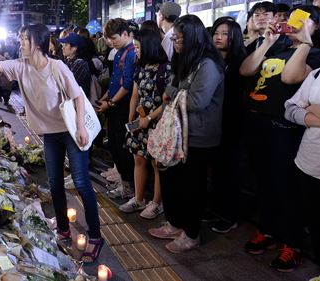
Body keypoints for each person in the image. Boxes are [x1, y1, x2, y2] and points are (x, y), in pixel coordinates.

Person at [0, 24, 104, 262]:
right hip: (50, 134)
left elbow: (78, 96)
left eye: (24, 39)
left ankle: (95, 236)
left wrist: (81, 126)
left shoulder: (57, 66)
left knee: (82, 183)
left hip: (71, 131)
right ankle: (62, 229)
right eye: (20, 38)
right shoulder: (20, 67)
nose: (20, 43)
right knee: (54, 184)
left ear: (38, 43)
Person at [239, 5, 320, 272]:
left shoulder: (317, 54)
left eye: (302, 21)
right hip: (258, 125)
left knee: (287, 188)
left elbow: (291, 77)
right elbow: (246, 70)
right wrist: (267, 43)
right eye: (291, 20)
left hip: (286, 131)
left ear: (316, 26)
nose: (292, 24)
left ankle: (293, 243)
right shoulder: (276, 48)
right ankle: (268, 230)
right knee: (264, 183)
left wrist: (304, 41)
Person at [148, 15, 225, 254]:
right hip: (179, 134)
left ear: (192, 38)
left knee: (192, 187)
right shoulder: (186, 61)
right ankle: (174, 223)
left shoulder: (208, 65)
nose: (175, 41)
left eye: (178, 38)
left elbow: (196, 101)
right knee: (173, 182)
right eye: (174, 37)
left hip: (198, 137)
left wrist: (171, 90)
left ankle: (191, 234)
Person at [284, 19, 320, 281]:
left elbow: (303, 106)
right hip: (308, 163)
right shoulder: (318, 74)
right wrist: (315, 116)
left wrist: (311, 107)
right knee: (319, 227)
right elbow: (290, 107)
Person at [121, 29, 171, 220]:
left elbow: (168, 101)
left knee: (156, 164)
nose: (136, 50)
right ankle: (138, 198)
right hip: (139, 124)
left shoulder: (166, 69)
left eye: (138, 47)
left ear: (149, 46)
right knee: (139, 160)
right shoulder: (139, 67)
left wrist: (148, 119)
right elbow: (135, 95)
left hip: (157, 124)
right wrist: (131, 119)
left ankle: (157, 203)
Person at [208, 17, 247, 234]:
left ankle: (230, 215)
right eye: (216, 33)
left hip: (234, 123)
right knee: (216, 168)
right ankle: (216, 208)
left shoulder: (241, 60)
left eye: (225, 34)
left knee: (231, 169)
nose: (219, 37)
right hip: (214, 122)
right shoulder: (211, 61)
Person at [96, 18, 137, 200]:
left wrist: (110, 103)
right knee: (113, 143)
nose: (111, 42)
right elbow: (115, 81)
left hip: (124, 107)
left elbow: (127, 85)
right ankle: (124, 182)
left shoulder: (130, 53)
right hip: (114, 104)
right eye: (109, 38)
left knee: (122, 147)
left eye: (114, 38)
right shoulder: (119, 52)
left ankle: (128, 187)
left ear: (125, 34)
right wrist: (104, 99)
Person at [59, 33, 91, 97]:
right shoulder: (69, 61)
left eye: (66, 45)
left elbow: (68, 85)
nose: (62, 47)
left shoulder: (80, 64)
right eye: (63, 45)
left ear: (74, 48)